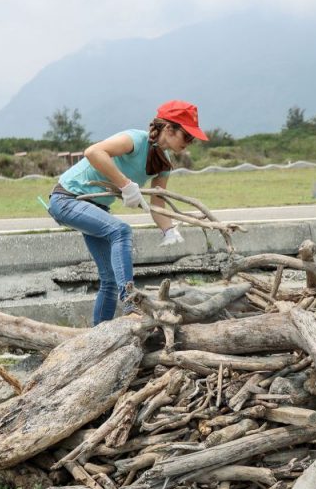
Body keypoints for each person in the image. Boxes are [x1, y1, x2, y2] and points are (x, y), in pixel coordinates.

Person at [47, 100, 209, 325]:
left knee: (110, 278)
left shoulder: (164, 162)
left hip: (96, 207)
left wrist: (168, 230)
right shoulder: (135, 139)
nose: (189, 143)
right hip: (67, 198)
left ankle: (100, 333)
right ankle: (131, 304)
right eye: (187, 136)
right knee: (121, 230)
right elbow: (93, 152)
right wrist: (125, 184)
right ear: (170, 129)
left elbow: (158, 203)